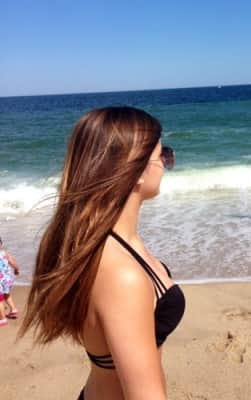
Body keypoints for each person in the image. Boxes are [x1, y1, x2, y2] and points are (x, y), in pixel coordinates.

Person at [19, 107, 185, 400]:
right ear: (135, 170)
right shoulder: (122, 274)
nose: (166, 163)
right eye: (162, 155)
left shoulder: (101, 243)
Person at [0, 236, 20, 327]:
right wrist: (16, 269)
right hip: (7, 280)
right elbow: (13, 263)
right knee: (6, 294)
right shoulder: (5, 254)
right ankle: (14, 310)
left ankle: (2, 319)